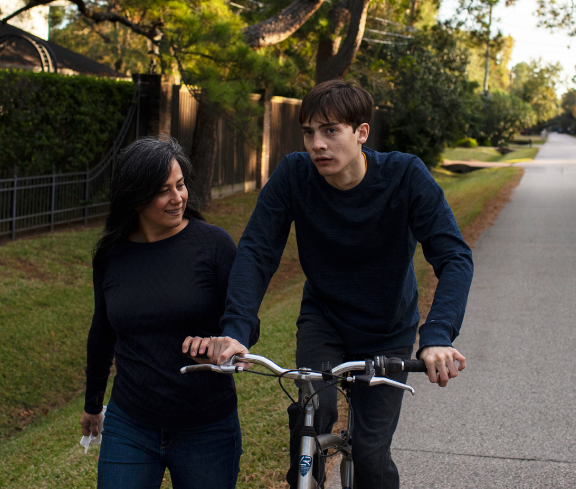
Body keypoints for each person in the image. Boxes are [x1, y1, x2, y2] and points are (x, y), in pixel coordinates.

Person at [183, 80, 474, 488]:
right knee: (311, 415)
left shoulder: (405, 175)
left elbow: (454, 256)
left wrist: (438, 334)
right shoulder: (293, 175)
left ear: (361, 133)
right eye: (308, 132)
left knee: (371, 455)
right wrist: (235, 331)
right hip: (325, 320)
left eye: (330, 130)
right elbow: (256, 252)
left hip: (388, 329)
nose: (317, 144)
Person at [81, 135, 244, 489]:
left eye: (181, 185)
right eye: (163, 190)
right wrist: (93, 403)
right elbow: (102, 331)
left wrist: (232, 341)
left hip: (208, 426)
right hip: (130, 423)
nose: (178, 198)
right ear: (135, 197)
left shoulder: (213, 245)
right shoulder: (111, 255)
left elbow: (243, 316)